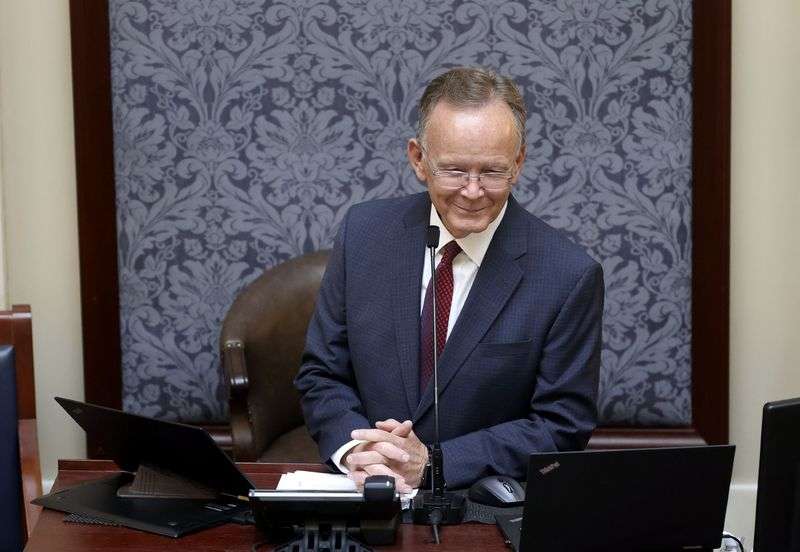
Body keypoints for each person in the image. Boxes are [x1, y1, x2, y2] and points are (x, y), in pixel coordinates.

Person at [295, 66, 603, 492]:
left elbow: (562, 425)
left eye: (493, 172)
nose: (473, 191)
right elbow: (322, 374)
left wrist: (436, 463)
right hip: (364, 490)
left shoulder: (568, 275)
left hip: (481, 504)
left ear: (519, 162)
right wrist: (356, 454)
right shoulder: (363, 233)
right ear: (418, 159)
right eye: (454, 170)